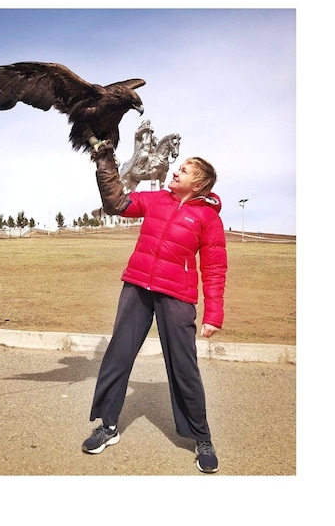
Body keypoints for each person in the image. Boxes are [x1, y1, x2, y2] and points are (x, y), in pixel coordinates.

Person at [82, 139, 227, 474]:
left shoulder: (207, 218)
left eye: (185, 170)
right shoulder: (157, 200)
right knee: (117, 355)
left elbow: (215, 268)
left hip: (177, 295)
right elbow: (117, 203)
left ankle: (201, 436)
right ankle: (108, 425)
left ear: (200, 183)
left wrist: (214, 314)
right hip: (137, 286)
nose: (175, 171)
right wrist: (105, 162)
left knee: (183, 365)